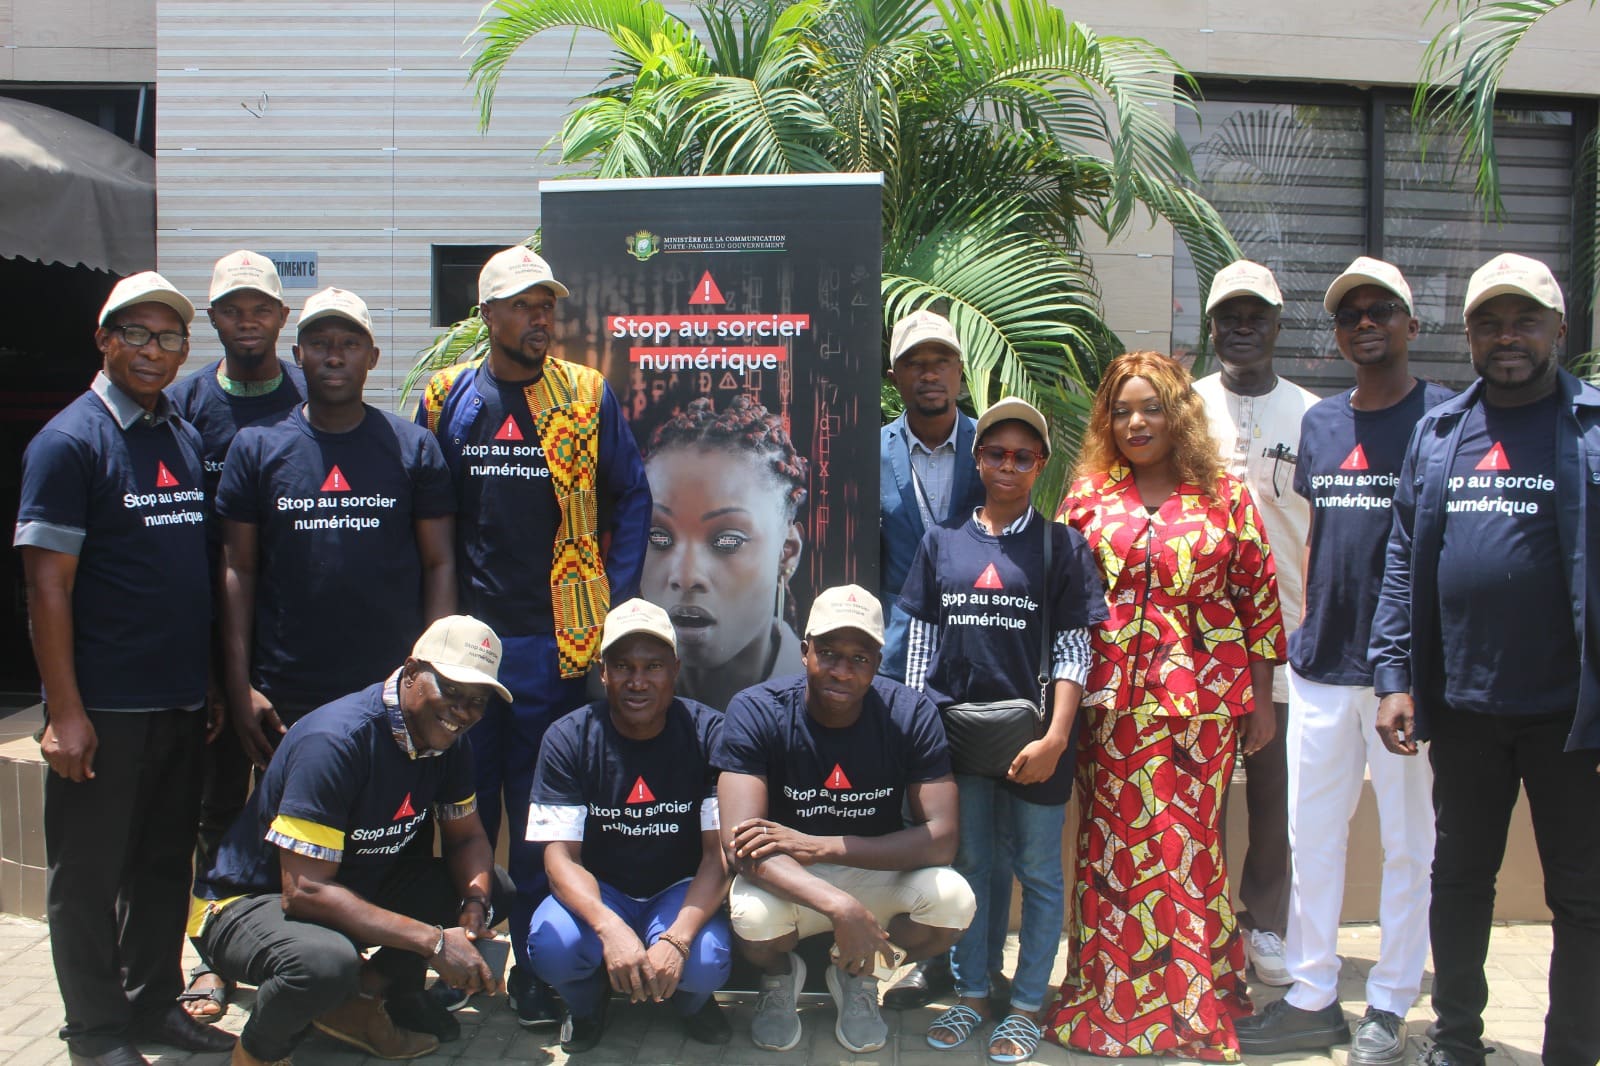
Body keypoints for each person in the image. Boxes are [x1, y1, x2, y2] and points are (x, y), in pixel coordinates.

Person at [1370, 253, 1600, 1066]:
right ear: (1467, 336)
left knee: (1582, 896)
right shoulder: (1439, 433)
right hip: (1463, 705)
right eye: (1490, 323)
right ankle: (1457, 1039)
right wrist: (1393, 677)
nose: (1508, 337)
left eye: (1524, 321)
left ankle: (1571, 1050)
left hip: (1572, 715)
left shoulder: (1593, 427)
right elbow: (1403, 559)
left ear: (1558, 331)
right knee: (1461, 882)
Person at [416, 246, 651, 1026]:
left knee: (539, 812)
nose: (539, 317)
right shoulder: (447, 398)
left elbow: (632, 496)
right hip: (467, 654)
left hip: (556, 645)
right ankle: (461, 956)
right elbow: (428, 515)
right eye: (521, 305)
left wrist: (613, 603)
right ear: (487, 315)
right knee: (463, 806)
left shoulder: (583, 395)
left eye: (546, 304)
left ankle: (533, 968)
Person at [1235, 259, 1450, 1062]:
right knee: (1313, 838)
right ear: (1335, 335)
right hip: (1320, 666)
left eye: (1379, 309)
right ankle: (1313, 995)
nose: (1364, 323)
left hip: (1405, 677)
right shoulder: (1322, 424)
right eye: (1349, 314)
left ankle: (1389, 1003)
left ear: (1410, 324)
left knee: (1409, 844)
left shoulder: (1445, 418)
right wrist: (1304, 633)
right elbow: (1320, 535)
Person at [16, 271, 234, 1065]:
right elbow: (47, 585)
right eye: (136, 334)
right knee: (88, 877)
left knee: (162, 866)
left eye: (169, 337)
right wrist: (65, 711)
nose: (153, 350)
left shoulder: (179, 435)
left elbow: (184, 570)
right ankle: (95, 1032)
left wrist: (204, 680)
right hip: (104, 707)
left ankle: (153, 1006)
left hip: (178, 700)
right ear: (104, 340)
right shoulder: (69, 442)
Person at [1047, 351, 1286, 1062]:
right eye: (1121, 411)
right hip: (1108, 706)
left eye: (1151, 408)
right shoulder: (1086, 498)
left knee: (1185, 845)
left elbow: (1258, 600)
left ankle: (1190, 1000)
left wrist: (1262, 701)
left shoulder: (1225, 496)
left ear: (1178, 413)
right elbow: (1060, 601)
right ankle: (1112, 999)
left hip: (1202, 707)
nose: (1136, 422)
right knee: (1112, 847)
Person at [189, 615, 517, 1066]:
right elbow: (304, 892)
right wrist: (435, 942)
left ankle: (353, 1004)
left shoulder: (450, 744)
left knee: (495, 888)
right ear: (411, 672)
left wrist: (474, 907)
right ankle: (257, 1053)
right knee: (323, 963)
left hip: (346, 885)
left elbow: (466, 839)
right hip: (247, 902)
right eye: (451, 690)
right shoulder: (336, 741)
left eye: (477, 701)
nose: (462, 711)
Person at [899, 397, 1106, 1063]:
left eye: (1023, 456)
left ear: (1040, 465)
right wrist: (918, 736)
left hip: (1036, 742)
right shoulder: (943, 542)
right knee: (971, 867)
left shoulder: (1061, 546)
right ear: (978, 458)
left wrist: (1056, 739)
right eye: (996, 453)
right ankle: (972, 994)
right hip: (956, 739)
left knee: (1038, 873)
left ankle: (1026, 1006)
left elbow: (1075, 650)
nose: (1008, 466)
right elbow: (920, 648)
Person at [714, 585, 976, 1055]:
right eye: (829, 653)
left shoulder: (910, 713)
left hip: (871, 867)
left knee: (954, 903)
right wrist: (841, 907)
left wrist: (822, 846)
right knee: (752, 917)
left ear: (877, 663)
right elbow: (739, 847)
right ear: (805, 651)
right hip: (788, 873)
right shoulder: (757, 709)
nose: (841, 670)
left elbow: (942, 839)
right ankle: (779, 979)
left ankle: (859, 976)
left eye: (859, 658)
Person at [218, 286, 456, 759]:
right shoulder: (256, 446)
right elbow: (237, 569)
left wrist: (431, 673)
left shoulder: (413, 448)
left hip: (392, 687)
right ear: (297, 354)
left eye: (349, 344)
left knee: (390, 807)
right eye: (320, 344)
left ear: (372, 357)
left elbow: (439, 564)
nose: (334, 357)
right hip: (288, 692)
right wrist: (239, 684)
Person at [167, 249, 307, 1022]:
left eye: (260, 309)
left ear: (282, 318)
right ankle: (208, 956)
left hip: (296, 646)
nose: (247, 322)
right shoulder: (183, 407)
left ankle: (300, 949)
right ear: (213, 318)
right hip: (211, 642)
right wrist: (226, 672)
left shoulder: (309, 398)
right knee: (216, 808)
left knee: (304, 809)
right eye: (232, 310)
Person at [526, 598, 732, 1052]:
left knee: (705, 961)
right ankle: (586, 1006)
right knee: (553, 947)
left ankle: (692, 1003)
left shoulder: (709, 733)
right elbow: (559, 858)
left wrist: (677, 941)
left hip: (677, 888)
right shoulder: (567, 737)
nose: (637, 681)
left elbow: (718, 855)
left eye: (653, 666)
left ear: (675, 670)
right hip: (602, 889)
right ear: (603, 672)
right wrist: (609, 927)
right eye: (623, 666)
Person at [1191, 259, 1316, 986]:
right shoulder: (1183, 407)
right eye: (1230, 317)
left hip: (1288, 634)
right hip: (1198, 639)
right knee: (1200, 789)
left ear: (1276, 325)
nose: (1243, 328)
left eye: (1256, 316)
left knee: (1275, 791)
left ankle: (1264, 922)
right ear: (1211, 328)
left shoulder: (1313, 415)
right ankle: (1201, 923)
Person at [876, 308, 989, 1011]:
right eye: (916, 362)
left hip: (982, 661)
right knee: (907, 814)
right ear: (895, 376)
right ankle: (922, 959)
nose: (929, 373)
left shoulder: (993, 447)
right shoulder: (868, 450)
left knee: (971, 817)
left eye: (941, 360)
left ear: (959, 372)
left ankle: (975, 963)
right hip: (898, 667)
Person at [641, 394, 807, 710]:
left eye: (727, 541)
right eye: (658, 537)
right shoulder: (605, 695)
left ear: (786, 552)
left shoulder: (819, 701)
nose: (686, 576)